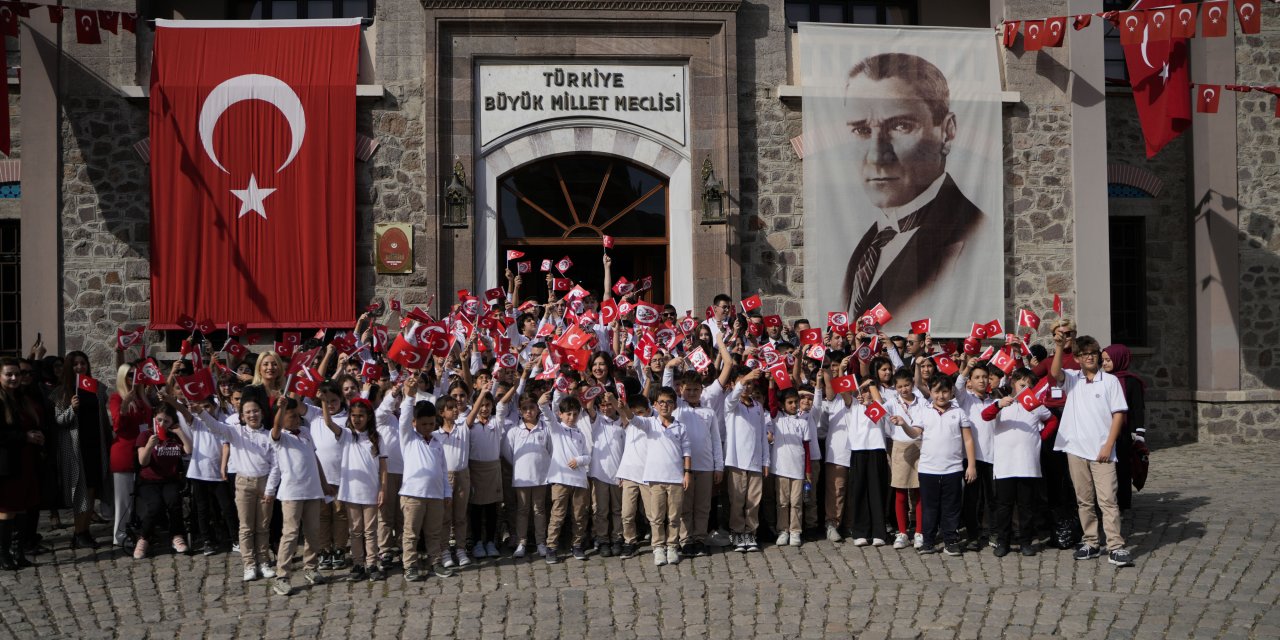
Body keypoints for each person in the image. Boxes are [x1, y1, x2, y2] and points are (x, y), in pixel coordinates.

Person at [839, 52, 991, 325]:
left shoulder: (974, 236)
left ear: (947, 132)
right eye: (861, 130)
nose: (877, 155)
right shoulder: (866, 248)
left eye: (900, 126)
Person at [1049, 334, 1133, 567]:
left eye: (1093, 353)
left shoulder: (1110, 381)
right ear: (1077, 358)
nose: (1089, 357)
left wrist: (1108, 445)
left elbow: (1118, 414)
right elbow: (1055, 373)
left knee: (1107, 499)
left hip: (1102, 451)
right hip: (1075, 450)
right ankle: (1091, 542)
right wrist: (1058, 346)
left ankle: (1115, 545)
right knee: (1084, 500)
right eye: (1084, 354)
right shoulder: (1073, 379)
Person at [190, 397, 277, 582]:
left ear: (261, 413)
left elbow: (275, 465)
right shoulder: (235, 432)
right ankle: (249, 564)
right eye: (248, 412)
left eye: (255, 411)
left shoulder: (269, 435)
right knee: (245, 527)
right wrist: (201, 412)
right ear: (242, 417)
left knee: (262, 526)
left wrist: (270, 489)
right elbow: (215, 427)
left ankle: (263, 561)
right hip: (243, 483)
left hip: (264, 483)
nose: (252, 415)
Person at [895, 376, 975, 556]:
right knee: (929, 507)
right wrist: (903, 424)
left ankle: (950, 540)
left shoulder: (959, 412)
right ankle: (928, 541)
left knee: (951, 507)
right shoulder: (924, 411)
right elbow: (915, 432)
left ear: (951, 392)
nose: (941, 395)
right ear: (930, 392)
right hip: (928, 469)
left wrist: (971, 465)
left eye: (945, 391)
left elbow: (968, 440)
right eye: (937, 391)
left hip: (953, 469)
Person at [981, 368, 1056, 558]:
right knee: (1004, 506)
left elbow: (1052, 420)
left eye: (1029, 387)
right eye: (1022, 385)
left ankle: (1026, 541)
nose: (1025, 389)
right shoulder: (1003, 403)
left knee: (1026, 505)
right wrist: (999, 405)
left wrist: (1040, 436)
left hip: (1027, 464)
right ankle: (1003, 541)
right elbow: (986, 416)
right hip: (1005, 464)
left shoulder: (1035, 405)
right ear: (1013, 382)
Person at [266, 397, 333, 596]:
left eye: (297, 416)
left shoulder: (305, 432)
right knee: (291, 534)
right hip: (292, 493)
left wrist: (324, 483)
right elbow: (277, 426)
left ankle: (311, 567)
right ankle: (282, 576)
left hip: (312, 491)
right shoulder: (279, 437)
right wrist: (281, 408)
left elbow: (315, 459)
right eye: (292, 416)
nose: (296, 419)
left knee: (313, 531)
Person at [618, 388, 691, 567]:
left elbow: (687, 452)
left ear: (674, 405)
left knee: (674, 516)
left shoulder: (681, 427)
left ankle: (672, 546)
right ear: (655, 405)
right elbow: (633, 419)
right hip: (655, 479)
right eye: (661, 402)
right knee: (657, 516)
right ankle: (658, 547)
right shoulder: (650, 423)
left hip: (675, 478)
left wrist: (687, 473)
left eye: (669, 402)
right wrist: (624, 407)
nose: (665, 405)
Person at [319, 397, 387, 582]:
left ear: (368, 417)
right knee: (355, 530)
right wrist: (324, 400)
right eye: (354, 416)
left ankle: (372, 563)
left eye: (361, 415)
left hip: (371, 491)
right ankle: (358, 563)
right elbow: (328, 422)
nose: (357, 419)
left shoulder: (377, 438)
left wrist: (382, 489)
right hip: (352, 491)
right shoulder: (347, 436)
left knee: (370, 531)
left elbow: (383, 467)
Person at [52, 352, 110, 549]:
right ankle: (79, 533)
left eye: (83, 363)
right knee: (80, 492)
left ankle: (85, 531)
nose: (80, 367)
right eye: (75, 364)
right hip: (76, 448)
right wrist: (72, 409)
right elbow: (59, 420)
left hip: (95, 445)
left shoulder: (96, 387)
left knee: (92, 489)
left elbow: (103, 416)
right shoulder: (63, 392)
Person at [397, 387, 453, 581]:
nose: (428, 427)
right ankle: (410, 566)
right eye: (423, 424)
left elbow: (443, 469)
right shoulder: (409, 438)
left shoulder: (437, 442)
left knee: (434, 533)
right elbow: (404, 418)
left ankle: (435, 562)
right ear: (414, 423)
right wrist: (410, 396)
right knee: (411, 534)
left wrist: (447, 492)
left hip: (436, 495)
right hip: (413, 495)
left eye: (431, 423)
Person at [0, 357, 45, 570]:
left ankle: (17, 553)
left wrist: (36, 437)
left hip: (26, 462)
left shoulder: (22, 399)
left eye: (16, 374)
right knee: (7, 509)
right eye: (8, 374)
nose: (14, 378)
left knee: (23, 508)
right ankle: (3, 555)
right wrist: (25, 437)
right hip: (6, 464)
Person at [132, 404, 193, 559]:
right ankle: (144, 538)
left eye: (166, 421)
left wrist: (179, 431)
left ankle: (177, 535)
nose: (162, 424)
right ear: (154, 419)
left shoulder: (173, 436)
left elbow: (189, 450)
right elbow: (142, 462)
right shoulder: (146, 435)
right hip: (149, 480)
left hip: (169, 479)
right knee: (155, 506)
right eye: (159, 420)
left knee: (174, 501)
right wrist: (149, 446)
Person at [540, 392, 591, 564]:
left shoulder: (580, 434)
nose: (571, 417)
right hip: (561, 479)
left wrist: (579, 460)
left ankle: (576, 544)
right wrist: (542, 403)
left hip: (579, 480)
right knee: (558, 514)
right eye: (568, 414)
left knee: (579, 515)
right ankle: (551, 546)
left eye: (575, 414)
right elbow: (547, 415)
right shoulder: (557, 429)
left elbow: (587, 456)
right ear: (560, 414)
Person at [723, 368, 770, 553]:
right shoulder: (731, 404)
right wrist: (746, 377)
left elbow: (762, 436)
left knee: (753, 501)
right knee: (737, 500)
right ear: (734, 384)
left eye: (750, 383)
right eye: (743, 383)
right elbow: (733, 396)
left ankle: (750, 532)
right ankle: (737, 532)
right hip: (737, 461)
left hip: (756, 461)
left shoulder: (758, 407)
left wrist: (766, 461)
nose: (747, 386)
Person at [769, 385, 819, 548]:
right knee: (782, 502)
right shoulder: (777, 419)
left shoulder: (803, 422)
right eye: (790, 402)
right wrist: (771, 384)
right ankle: (783, 530)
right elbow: (771, 404)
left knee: (796, 502)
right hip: (782, 468)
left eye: (795, 402)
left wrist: (808, 470)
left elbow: (806, 448)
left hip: (798, 469)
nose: (794, 405)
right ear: (783, 405)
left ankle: (795, 531)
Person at [503, 392, 551, 560]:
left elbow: (550, 450)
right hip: (522, 477)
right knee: (522, 510)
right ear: (520, 411)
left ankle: (540, 542)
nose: (529, 411)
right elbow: (508, 453)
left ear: (537, 409)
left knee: (539, 510)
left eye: (532, 408)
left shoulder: (545, 428)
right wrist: (519, 466)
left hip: (540, 476)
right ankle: (521, 542)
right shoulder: (514, 430)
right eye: (525, 409)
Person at [108, 360, 151, 549]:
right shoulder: (117, 398)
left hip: (143, 452)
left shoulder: (143, 399)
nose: (135, 379)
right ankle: (120, 534)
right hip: (125, 452)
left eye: (138, 376)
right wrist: (125, 405)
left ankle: (142, 532)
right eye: (130, 376)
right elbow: (117, 426)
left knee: (142, 498)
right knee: (123, 499)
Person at [1103, 344, 1146, 511]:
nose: (1104, 363)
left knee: (1122, 468)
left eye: (1108, 360)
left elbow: (1137, 409)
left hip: (1123, 432)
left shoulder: (1132, 382)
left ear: (1119, 359)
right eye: (1103, 360)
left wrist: (1140, 433)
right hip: (1104, 430)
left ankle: (1122, 502)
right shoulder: (1101, 379)